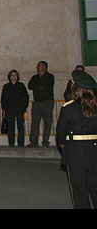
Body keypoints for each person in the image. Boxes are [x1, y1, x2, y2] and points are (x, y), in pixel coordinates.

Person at [56, 69, 97, 209]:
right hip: (94, 151)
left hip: (75, 153)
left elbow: (60, 134)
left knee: (79, 190)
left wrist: (66, 147)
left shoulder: (69, 108)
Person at [27, 61, 55, 147]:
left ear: (43, 67)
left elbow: (46, 85)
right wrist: (39, 87)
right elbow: (30, 86)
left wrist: (39, 86)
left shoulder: (50, 77)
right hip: (37, 102)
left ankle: (45, 141)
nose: (37, 68)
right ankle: (33, 141)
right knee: (35, 123)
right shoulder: (35, 77)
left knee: (47, 122)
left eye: (38, 66)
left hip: (47, 102)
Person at [0, 70, 29, 147]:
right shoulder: (6, 86)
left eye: (15, 75)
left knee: (20, 127)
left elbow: (26, 97)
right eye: (12, 75)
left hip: (19, 109)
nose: (13, 76)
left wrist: (24, 106)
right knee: (10, 127)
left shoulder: (21, 85)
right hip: (10, 110)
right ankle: (11, 143)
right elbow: (3, 98)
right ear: (9, 77)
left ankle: (21, 143)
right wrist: (4, 108)